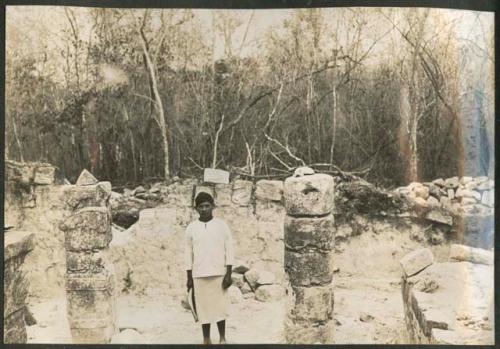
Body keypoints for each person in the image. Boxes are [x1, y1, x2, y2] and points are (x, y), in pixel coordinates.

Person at [185, 191, 234, 344]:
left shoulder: (221, 226)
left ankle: (222, 337)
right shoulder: (192, 228)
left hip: (219, 273)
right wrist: (189, 277)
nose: (204, 209)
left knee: (220, 307)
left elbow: (229, 249)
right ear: (196, 208)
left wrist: (228, 274)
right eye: (201, 207)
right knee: (203, 308)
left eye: (207, 206)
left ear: (213, 206)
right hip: (199, 274)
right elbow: (188, 253)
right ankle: (206, 339)